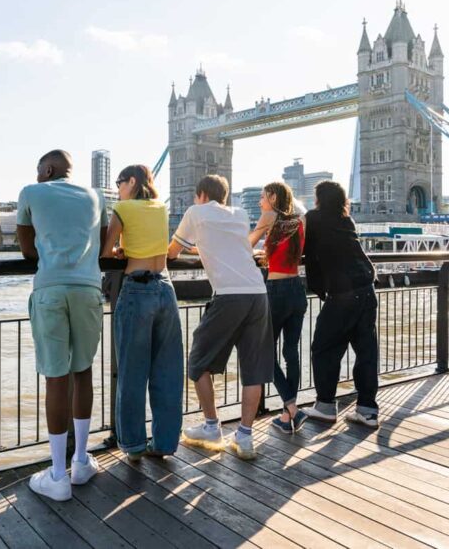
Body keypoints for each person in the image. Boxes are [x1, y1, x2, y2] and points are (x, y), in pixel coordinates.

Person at [17, 150, 107, 501]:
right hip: (88, 288)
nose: (37, 174)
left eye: (39, 169)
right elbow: (99, 242)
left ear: (49, 169)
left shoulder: (31, 192)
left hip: (52, 287)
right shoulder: (96, 196)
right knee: (82, 371)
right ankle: (82, 461)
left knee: (56, 377)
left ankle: (57, 474)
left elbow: (27, 250)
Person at [168, 174, 274, 460]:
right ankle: (245, 436)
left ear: (201, 194)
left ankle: (212, 426)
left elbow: (172, 251)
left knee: (198, 360)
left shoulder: (195, 212)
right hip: (257, 293)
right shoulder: (239, 214)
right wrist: (200, 247)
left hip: (229, 295)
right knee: (253, 366)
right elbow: (230, 246)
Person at [101, 165, 183, 461]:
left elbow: (106, 251)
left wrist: (120, 252)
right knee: (168, 372)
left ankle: (134, 446)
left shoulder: (122, 207)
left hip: (136, 289)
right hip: (165, 288)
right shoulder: (160, 207)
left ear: (132, 181)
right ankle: (163, 443)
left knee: (132, 374)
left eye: (120, 182)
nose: (118, 187)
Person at [301, 181, 380, 428]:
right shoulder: (348, 221)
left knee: (324, 348)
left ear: (319, 198)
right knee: (366, 351)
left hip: (343, 294)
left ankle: (325, 406)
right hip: (367, 289)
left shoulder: (312, 219)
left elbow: (298, 247)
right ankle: (367, 411)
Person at [248, 182, 309, 434]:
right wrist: (269, 253)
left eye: (262, 196)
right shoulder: (300, 220)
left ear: (273, 196)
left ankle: (292, 407)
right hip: (297, 289)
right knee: (291, 352)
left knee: (264, 352)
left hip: (277, 292)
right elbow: (289, 251)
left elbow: (246, 244)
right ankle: (287, 417)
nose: (260, 201)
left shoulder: (269, 216)